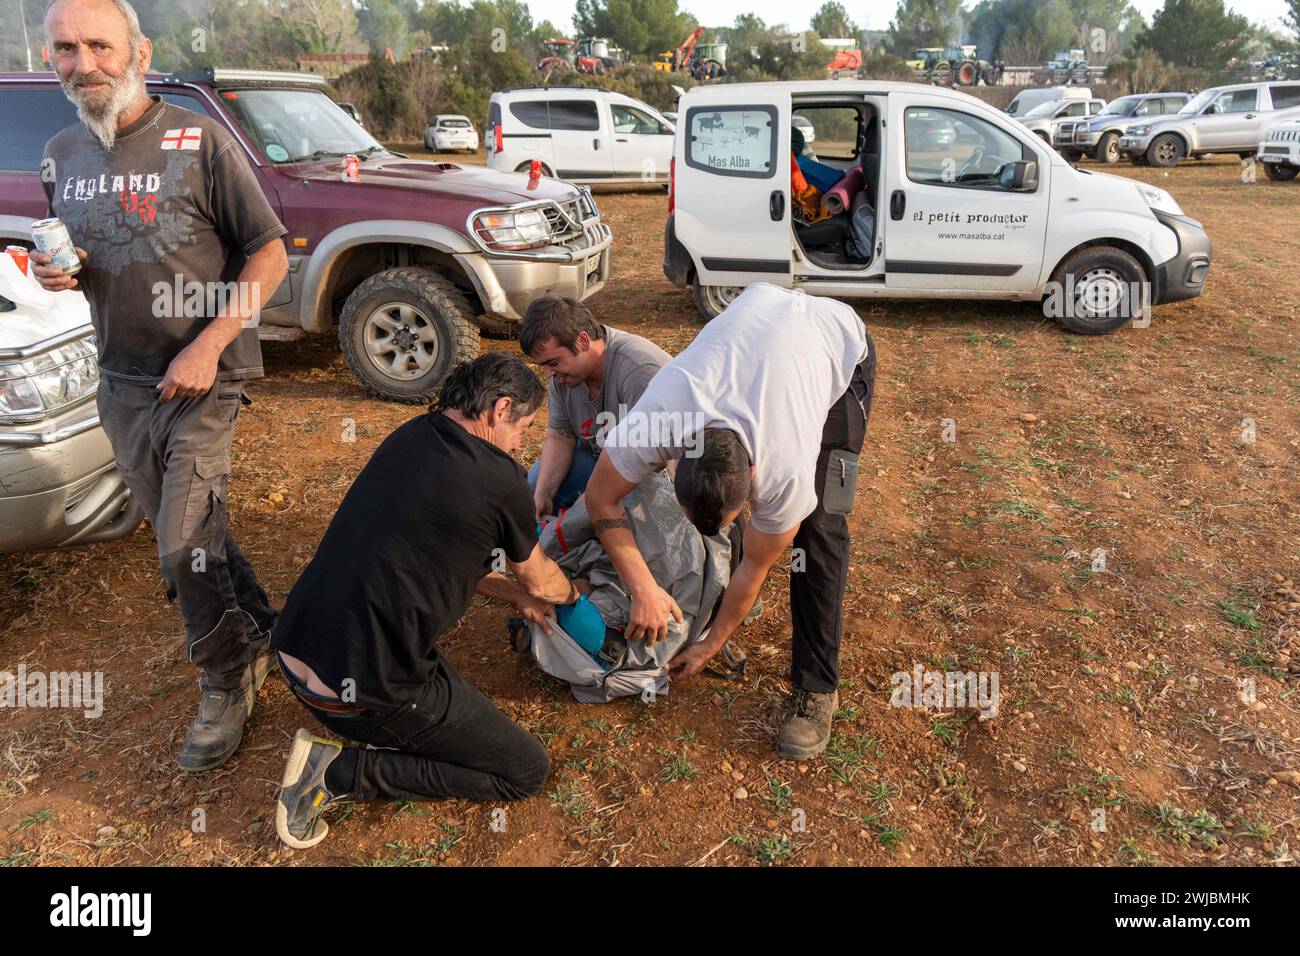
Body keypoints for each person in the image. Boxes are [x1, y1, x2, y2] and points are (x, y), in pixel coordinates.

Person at [33, 0, 290, 772]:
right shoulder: (60, 152)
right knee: (193, 531)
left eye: (99, 46)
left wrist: (210, 344)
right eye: (66, 49)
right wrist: (59, 273)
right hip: (122, 383)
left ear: (139, 51)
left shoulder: (199, 139)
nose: (85, 64)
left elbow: (270, 252)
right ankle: (261, 628)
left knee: (180, 545)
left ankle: (225, 676)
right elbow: (88, 267)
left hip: (202, 379)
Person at [272, 354, 582, 849]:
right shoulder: (501, 479)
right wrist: (571, 595)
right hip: (360, 699)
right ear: (500, 409)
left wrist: (514, 595)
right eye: (523, 426)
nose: (521, 441)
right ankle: (339, 772)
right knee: (525, 770)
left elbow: (457, 553)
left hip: (294, 654)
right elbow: (543, 580)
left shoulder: (413, 435)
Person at [584, 283, 876, 760]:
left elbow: (757, 568)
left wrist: (713, 643)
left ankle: (816, 689)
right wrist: (642, 588)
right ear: (674, 456)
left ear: (755, 478)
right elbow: (601, 499)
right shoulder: (657, 419)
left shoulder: (785, 472)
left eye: (737, 514)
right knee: (742, 528)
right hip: (759, 316)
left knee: (818, 531)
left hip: (836, 343)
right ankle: (716, 594)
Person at [520, 295, 669, 520]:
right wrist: (542, 495)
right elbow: (561, 437)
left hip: (658, 472)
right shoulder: (564, 376)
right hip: (605, 459)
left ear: (582, 341)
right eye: (543, 365)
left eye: (553, 363)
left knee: (605, 515)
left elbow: (654, 461)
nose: (548, 374)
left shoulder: (638, 369)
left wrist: (596, 499)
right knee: (535, 484)